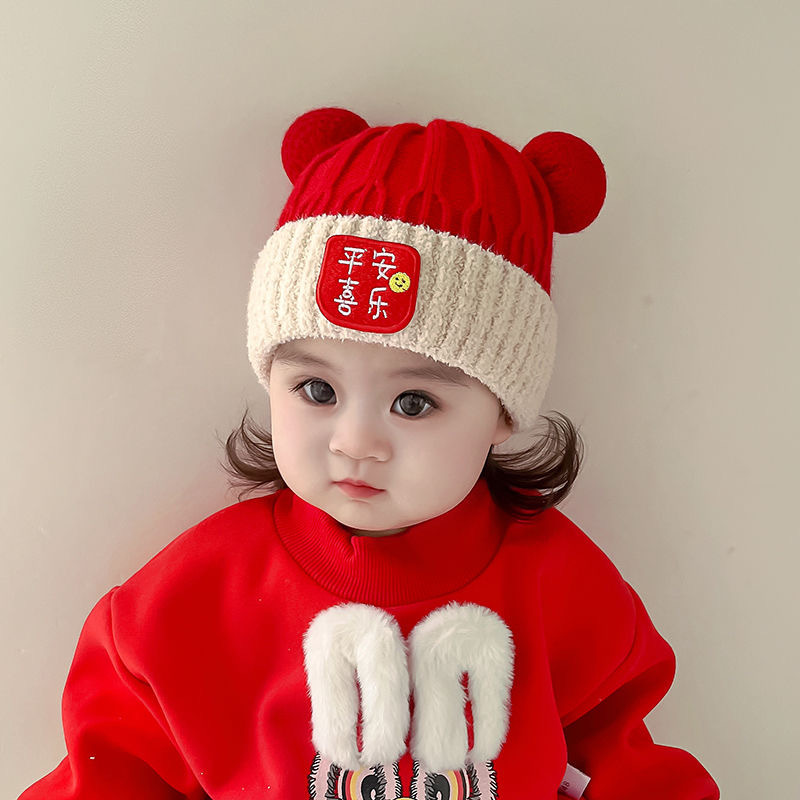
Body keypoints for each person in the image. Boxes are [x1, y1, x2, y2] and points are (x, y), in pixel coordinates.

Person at [19, 107, 720, 800]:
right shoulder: (195, 599)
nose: (355, 442)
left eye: (413, 403)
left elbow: (620, 757)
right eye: (317, 390)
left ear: (504, 413)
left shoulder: (560, 588)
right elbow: (112, 767)